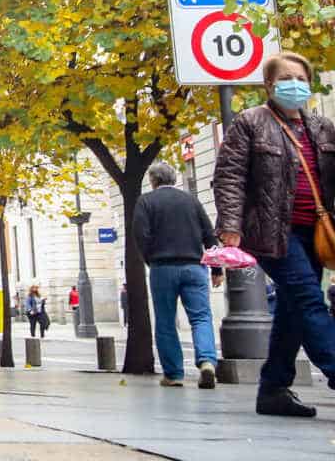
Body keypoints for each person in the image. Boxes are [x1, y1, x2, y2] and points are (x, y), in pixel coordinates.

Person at [213, 51, 335, 419]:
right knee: (310, 300)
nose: (295, 85)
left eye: (301, 78)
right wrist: (231, 227)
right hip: (270, 232)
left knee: (294, 309)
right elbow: (229, 177)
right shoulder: (250, 122)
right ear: (269, 84)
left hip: (315, 233)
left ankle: (273, 389)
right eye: (286, 78)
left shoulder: (322, 127)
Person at [133, 162, 222, 389]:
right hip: (194, 266)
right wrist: (216, 269)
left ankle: (173, 374)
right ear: (173, 179)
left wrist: (151, 259)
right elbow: (209, 235)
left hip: (163, 267)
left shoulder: (146, 202)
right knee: (201, 317)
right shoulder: (191, 200)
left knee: (165, 321)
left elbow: (141, 235)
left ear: (153, 181)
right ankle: (207, 362)